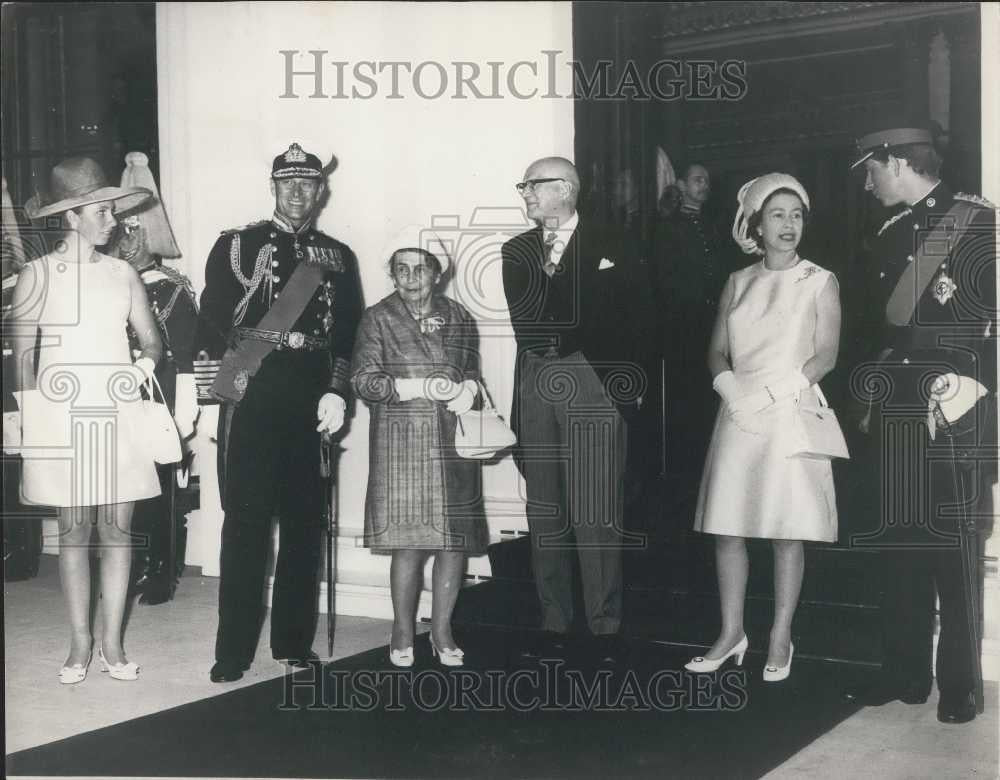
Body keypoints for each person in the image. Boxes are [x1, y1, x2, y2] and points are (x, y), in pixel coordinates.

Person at [842, 126, 996, 724]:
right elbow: (881, 327)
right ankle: (902, 672)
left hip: (953, 398)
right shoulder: (886, 231)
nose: (867, 180)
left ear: (898, 162)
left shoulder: (976, 221)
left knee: (954, 549)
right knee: (900, 541)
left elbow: (983, 316)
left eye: (872, 168)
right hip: (898, 399)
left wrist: (954, 385)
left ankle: (960, 684)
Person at [197, 143, 363, 683]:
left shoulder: (338, 255)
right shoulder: (235, 245)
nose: (298, 193)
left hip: (310, 399)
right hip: (252, 395)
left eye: (308, 184)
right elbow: (211, 323)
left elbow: (347, 336)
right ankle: (233, 650)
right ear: (273, 187)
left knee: (303, 527)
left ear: (321, 191)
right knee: (243, 525)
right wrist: (210, 393)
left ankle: (292, 642)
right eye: (288, 183)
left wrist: (338, 392)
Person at [10, 157, 161, 682]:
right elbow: (24, 358)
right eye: (103, 211)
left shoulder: (124, 273)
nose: (113, 221)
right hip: (62, 418)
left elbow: (154, 342)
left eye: (112, 211)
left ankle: (112, 645)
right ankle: (79, 645)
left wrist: (138, 372)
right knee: (75, 534)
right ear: (72, 216)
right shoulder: (36, 274)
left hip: (118, 414)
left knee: (118, 531)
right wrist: (37, 429)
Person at [686, 173, 842, 681]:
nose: (789, 224)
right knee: (727, 527)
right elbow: (714, 350)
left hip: (790, 408)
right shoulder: (738, 280)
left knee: (784, 528)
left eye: (796, 215)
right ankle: (732, 633)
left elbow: (826, 354)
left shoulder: (820, 279)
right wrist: (734, 394)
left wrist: (775, 395)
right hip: (738, 410)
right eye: (777, 215)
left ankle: (780, 634)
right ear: (756, 223)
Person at [502, 156, 639, 663]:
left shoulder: (615, 242)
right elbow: (530, 323)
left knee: (595, 510)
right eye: (524, 186)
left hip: (592, 378)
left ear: (565, 189)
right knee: (546, 508)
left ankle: (605, 627)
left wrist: (621, 391)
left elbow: (632, 319)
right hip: (537, 375)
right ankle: (554, 622)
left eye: (532, 185)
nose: (525, 194)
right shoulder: (515, 250)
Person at [351, 225, 487, 667]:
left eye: (420, 269)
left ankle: (442, 630)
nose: (410, 278)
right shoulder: (377, 317)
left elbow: (471, 372)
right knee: (408, 544)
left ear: (437, 273)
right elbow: (363, 381)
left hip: (451, 442)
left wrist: (469, 391)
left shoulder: (459, 316)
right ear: (392, 275)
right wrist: (415, 386)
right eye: (401, 270)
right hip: (401, 441)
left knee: (453, 544)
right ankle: (403, 630)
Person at [111, 151, 199, 605]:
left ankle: (164, 568)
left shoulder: (172, 286)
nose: (126, 243)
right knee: (125, 486)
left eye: (135, 232)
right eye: (121, 231)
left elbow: (184, 355)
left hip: (161, 397)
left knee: (162, 490)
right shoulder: (108, 281)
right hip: (118, 399)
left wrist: (185, 407)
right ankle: (134, 566)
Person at [647, 163, 732, 508]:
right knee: (686, 402)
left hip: (714, 325)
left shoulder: (714, 226)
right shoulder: (667, 228)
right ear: (680, 185)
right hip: (683, 329)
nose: (705, 185)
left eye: (707, 180)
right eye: (698, 179)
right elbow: (665, 282)